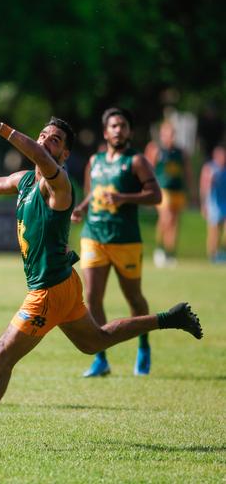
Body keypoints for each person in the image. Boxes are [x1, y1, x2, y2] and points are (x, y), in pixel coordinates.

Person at [0, 113, 202, 456]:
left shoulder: (60, 186)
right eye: (43, 134)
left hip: (48, 291)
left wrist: (2, 130)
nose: (45, 141)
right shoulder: (26, 179)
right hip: (65, 283)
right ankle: (172, 317)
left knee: (0, 357)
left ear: (63, 156)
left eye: (55, 140)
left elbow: (40, 158)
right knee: (95, 341)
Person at [71, 108, 162, 377]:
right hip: (93, 237)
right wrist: (82, 208)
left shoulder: (137, 161)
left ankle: (143, 345)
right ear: (105, 131)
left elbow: (155, 196)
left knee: (133, 297)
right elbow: (93, 193)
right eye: (113, 126)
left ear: (130, 131)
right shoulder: (95, 161)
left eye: (123, 125)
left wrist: (124, 198)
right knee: (92, 297)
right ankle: (101, 358)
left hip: (125, 240)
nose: (118, 130)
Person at [144, 121, 194, 267]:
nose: (170, 137)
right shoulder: (156, 149)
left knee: (175, 222)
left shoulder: (180, 152)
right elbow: (148, 169)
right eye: (167, 133)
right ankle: (160, 249)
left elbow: (188, 171)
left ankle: (170, 252)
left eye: (172, 134)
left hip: (177, 190)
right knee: (166, 217)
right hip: (162, 190)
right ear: (162, 134)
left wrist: (191, 189)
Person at [200, 143, 226, 263]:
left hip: (224, 202)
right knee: (214, 230)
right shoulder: (210, 168)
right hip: (213, 204)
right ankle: (212, 255)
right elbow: (205, 187)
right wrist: (204, 204)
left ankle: (221, 252)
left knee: (223, 230)